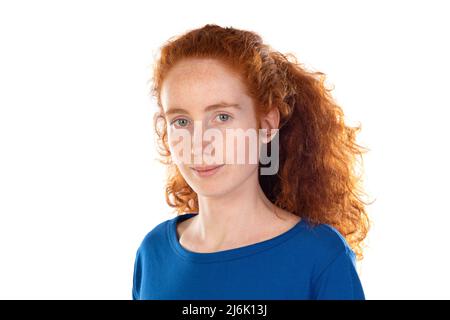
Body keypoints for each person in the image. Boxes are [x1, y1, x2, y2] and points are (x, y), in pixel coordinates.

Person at [132, 24, 371, 300]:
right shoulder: (152, 254)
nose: (199, 142)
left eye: (222, 117)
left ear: (267, 125)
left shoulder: (320, 257)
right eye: (181, 121)